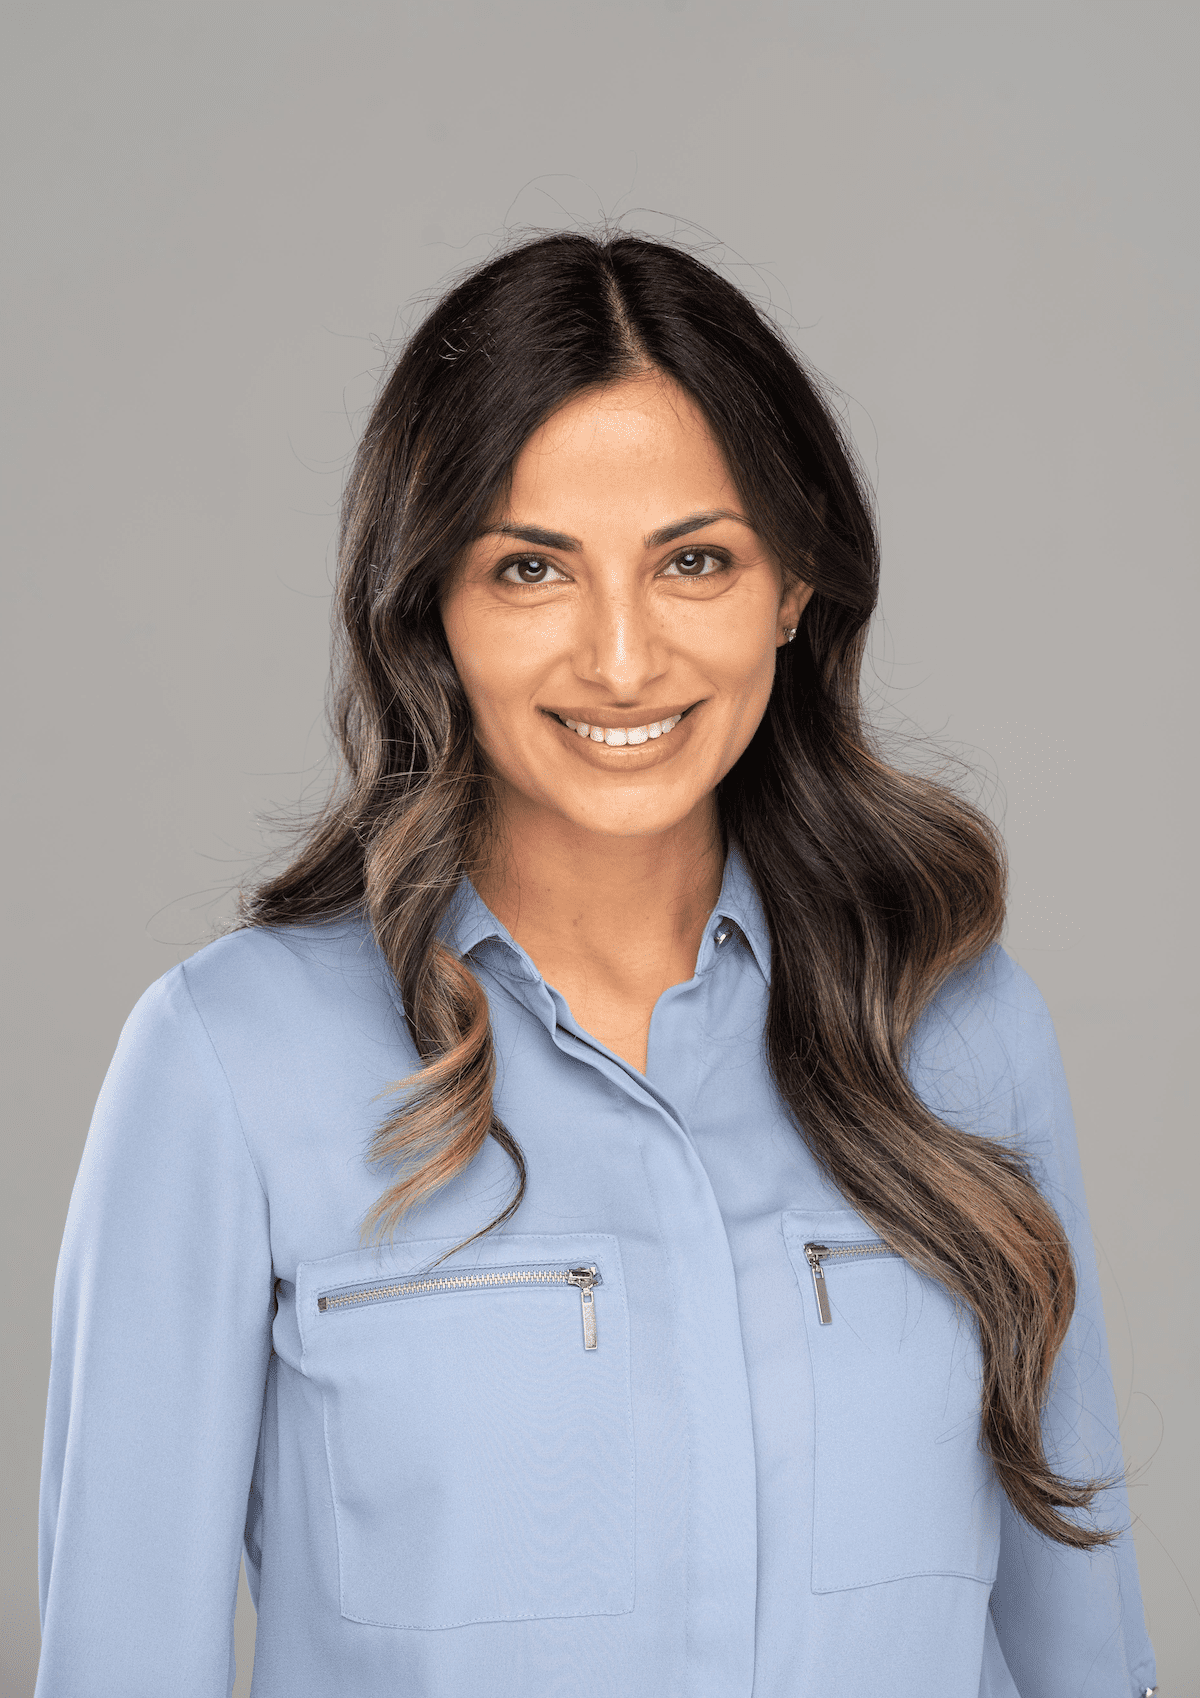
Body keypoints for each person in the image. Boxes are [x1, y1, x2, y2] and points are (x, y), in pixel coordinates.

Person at [36, 230, 1157, 1698]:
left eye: (695, 559)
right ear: (431, 598)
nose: (622, 658)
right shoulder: (227, 1062)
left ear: (795, 585)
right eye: (531, 569)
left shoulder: (954, 1022)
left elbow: (1086, 1650)